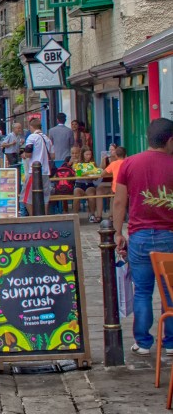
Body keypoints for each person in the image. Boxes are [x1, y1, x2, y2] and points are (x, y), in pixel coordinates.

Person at [113, 118, 173, 357]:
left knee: (142, 291)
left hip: (139, 235)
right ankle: (170, 342)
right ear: (169, 140)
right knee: (170, 292)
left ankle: (143, 342)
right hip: (169, 235)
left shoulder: (129, 164)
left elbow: (119, 201)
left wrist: (118, 232)